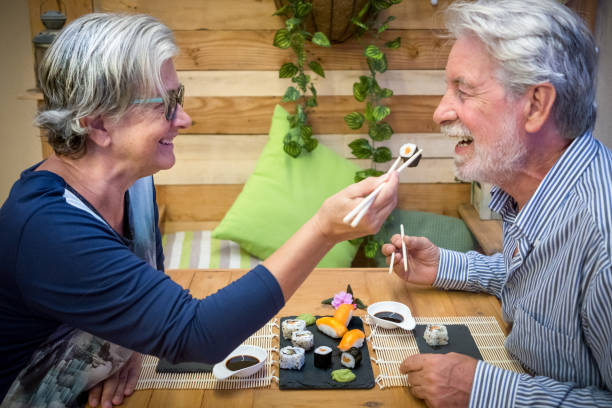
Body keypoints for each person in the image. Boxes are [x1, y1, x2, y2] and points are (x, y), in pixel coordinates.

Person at [0, 13, 399, 408]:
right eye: (166, 105)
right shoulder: (48, 229)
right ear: (99, 125)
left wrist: (126, 343)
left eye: (180, 98)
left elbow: (136, 294)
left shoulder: (135, 182)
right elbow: (197, 335)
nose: (184, 119)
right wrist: (323, 230)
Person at [383, 0, 612, 407]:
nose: (439, 112)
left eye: (463, 90)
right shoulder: (531, 196)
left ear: (536, 105)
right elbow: (538, 285)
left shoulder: (603, 239)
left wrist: (484, 391)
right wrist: (446, 266)